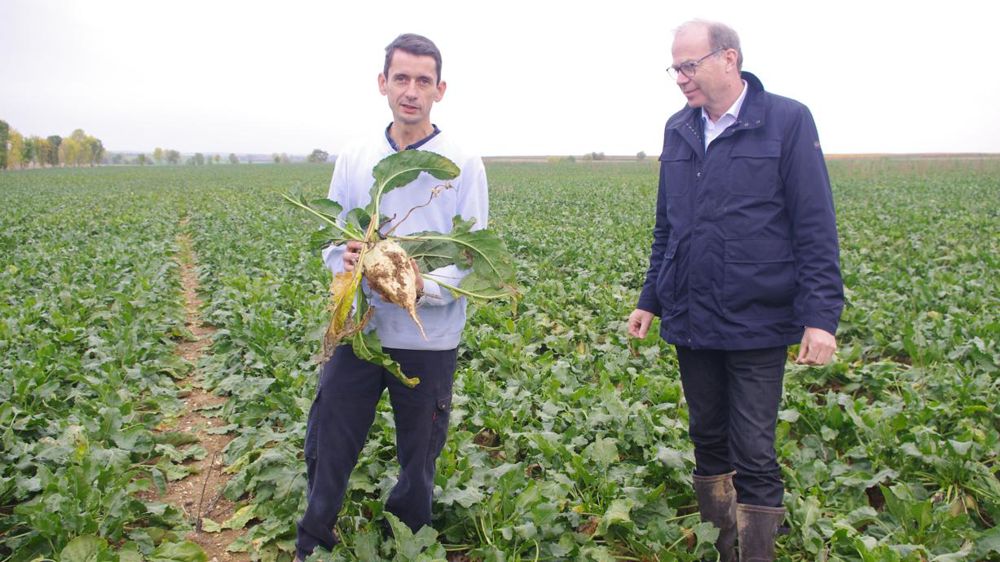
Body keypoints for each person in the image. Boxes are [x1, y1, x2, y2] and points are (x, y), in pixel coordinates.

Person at [627, 20, 843, 562]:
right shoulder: (679, 128)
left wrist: (822, 316)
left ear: (729, 59)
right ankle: (721, 548)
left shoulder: (786, 121)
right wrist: (649, 298)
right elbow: (667, 228)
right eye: (675, 67)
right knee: (708, 441)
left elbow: (814, 223)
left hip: (757, 320)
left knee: (754, 450)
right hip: (693, 319)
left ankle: (756, 555)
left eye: (689, 65)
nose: (680, 78)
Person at [295, 33, 488, 559]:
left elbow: (473, 262)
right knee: (329, 441)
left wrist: (418, 286)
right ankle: (313, 541)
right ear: (383, 83)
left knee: (419, 456)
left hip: (429, 339)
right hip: (358, 329)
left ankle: (407, 540)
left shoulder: (463, 162)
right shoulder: (356, 156)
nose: (411, 91)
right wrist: (349, 258)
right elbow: (332, 240)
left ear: (440, 90)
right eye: (401, 78)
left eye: (423, 80)